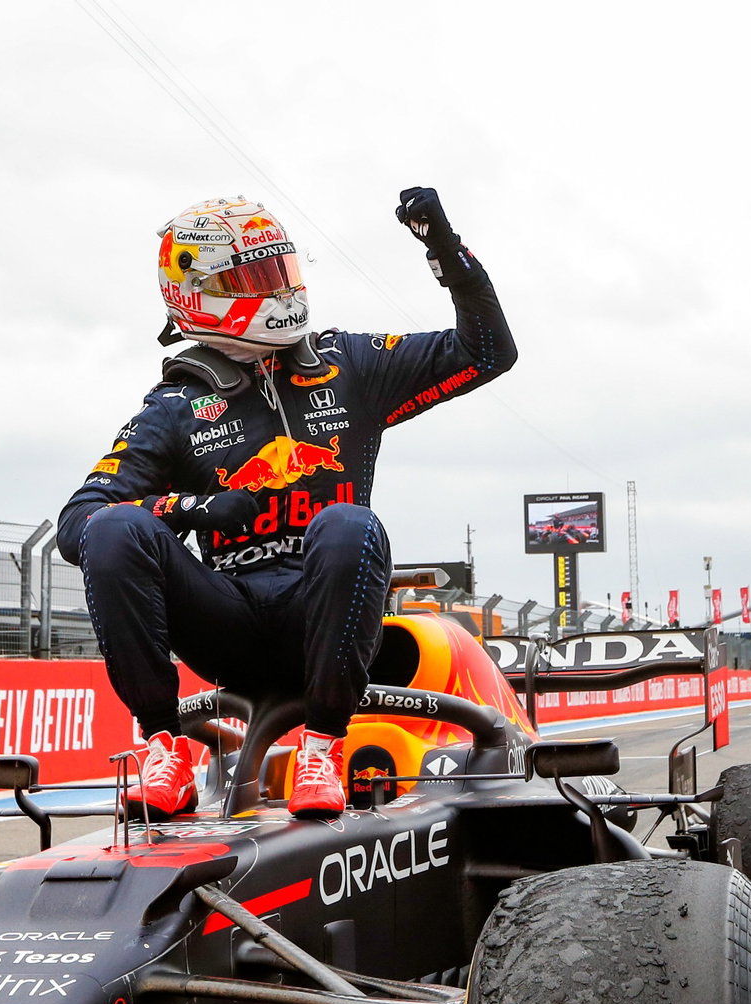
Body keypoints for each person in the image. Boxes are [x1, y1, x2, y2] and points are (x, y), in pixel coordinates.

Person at [56, 189, 518, 820]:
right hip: (228, 626)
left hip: (330, 623)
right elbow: (78, 524)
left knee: (349, 524)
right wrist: (193, 508)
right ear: (198, 295)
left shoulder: (348, 364)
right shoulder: (173, 409)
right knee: (114, 531)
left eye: (280, 271)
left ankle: (321, 749)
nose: (277, 290)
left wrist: (445, 248)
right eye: (254, 278)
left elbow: (488, 351)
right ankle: (163, 749)